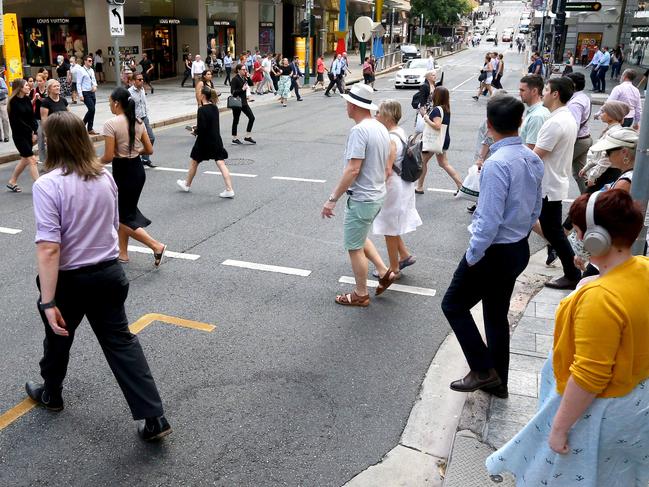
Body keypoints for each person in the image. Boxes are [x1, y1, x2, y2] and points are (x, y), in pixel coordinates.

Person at [487, 189, 649, 486]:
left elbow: (590, 375)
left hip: (597, 411)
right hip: (635, 403)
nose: (576, 239)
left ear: (595, 237)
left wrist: (560, 428)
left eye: (577, 231)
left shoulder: (600, 299)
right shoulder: (643, 269)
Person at [28, 110, 172, 442]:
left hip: (71, 279)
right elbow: (110, 224)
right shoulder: (104, 177)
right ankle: (153, 416)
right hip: (108, 273)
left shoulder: (48, 185)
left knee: (58, 336)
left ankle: (52, 393)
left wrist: (48, 300)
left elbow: (50, 248)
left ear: (52, 143)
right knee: (121, 343)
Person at [442, 95, 544, 398]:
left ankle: (483, 369)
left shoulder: (496, 164)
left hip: (493, 251)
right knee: (496, 314)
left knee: (453, 304)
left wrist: (473, 255)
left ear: (489, 126)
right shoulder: (531, 157)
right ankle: (499, 382)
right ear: (520, 122)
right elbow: (537, 204)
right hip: (517, 247)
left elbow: (487, 219)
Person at [320, 84, 390, 307]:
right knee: (360, 236)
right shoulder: (379, 127)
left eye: (347, 103)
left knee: (354, 246)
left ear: (353, 105)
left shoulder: (359, 131)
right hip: (377, 194)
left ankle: (361, 294)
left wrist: (332, 200)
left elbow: (353, 169)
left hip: (362, 197)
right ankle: (383, 270)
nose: (346, 106)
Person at [99, 87, 166, 266]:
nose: (109, 106)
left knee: (122, 217)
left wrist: (90, 165)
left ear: (116, 103)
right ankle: (123, 253)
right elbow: (149, 150)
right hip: (137, 170)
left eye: (109, 103)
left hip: (122, 171)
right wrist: (136, 151)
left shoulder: (110, 124)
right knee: (125, 213)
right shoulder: (138, 121)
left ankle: (156, 245)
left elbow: (107, 156)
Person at [534, 77, 581, 290]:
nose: (542, 93)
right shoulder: (566, 117)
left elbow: (536, 156)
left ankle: (572, 273)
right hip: (555, 182)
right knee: (552, 230)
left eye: (545, 90)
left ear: (555, 94)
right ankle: (573, 271)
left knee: (554, 232)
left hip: (548, 185)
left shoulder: (555, 122)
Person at [371, 99, 422, 292]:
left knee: (389, 228)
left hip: (394, 186)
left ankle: (393, 269)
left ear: (388, 116)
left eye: (379, 113)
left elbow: (386, 169)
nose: (376, 116)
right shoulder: (399, 132)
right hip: (404, 184)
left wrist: (376, 188)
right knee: (393, 224)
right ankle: (405, 256)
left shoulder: (391, 139)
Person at [176, 87, 234, 198]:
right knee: (221, 163)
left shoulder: (201, 110)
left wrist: (195, 130)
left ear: (202, 96)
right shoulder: (214, 107)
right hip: (216, 139)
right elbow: (210, 124)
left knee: (194, 161)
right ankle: (229, 189)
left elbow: (202, 129)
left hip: (204, 141)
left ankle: (187, 184)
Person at [416, 86, 463, 193]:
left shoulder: (437, 110)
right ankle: (461, 186)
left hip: (435, 140)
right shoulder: (446, 108)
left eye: (434, 93)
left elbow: (437, 126)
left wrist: (426, 117)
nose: (431, 95)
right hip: (442, 139)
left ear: (437, 96)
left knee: (423, 162)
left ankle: (419, 187)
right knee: (443, 163)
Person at [578, 101, 627, 192]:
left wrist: (593, 176)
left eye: (603, 112)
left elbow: (606, 159)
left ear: (612, 115)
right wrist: (587, 167)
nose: (600, 114)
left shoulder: (613, 133)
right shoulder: (611, 130)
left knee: (593, 200)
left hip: (607, 173)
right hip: (606, 172)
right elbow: (600, 155)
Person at [6, 79, 39, 193]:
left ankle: (12, 181)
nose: (29, 86)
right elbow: (16, 122)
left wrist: (35, 131)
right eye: (26, 85)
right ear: (20, 88)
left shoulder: (26, 99)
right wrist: (30, 132)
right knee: (32, 159)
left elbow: (32, 117)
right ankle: (40, 186)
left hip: (28, 134)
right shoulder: (13, 102)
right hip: (19, 136)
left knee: (25, 159)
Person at [565, 72, 592, 194]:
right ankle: (588, 198)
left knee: (557, 167)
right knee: (580, 173)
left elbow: (573, 127)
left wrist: (565, 144)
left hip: (578, 141)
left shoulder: (575, 103)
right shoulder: (583, 97)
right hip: (584, 138)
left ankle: (588, 199)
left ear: (573, 85)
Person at [129, 74, 157, 168]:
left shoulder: (142, 89)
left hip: (144, 118)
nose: (141, 81)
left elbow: (143, 104)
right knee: (134, 142)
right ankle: (135, 161)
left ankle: (145, 159)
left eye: (142, 79)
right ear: (134, 81)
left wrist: (146, 115)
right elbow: (129, 108)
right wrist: (136, 118)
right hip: (135, 120)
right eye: (139, 79)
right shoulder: (129, 92)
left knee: (151, 137)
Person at [519, 74, 550, 150]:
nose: (519, 94)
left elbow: (531, 150)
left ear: (534, 91)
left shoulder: (536, 116)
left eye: (522, 90)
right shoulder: (537, 111)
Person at [230, 64, 256, 144]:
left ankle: (247, 136)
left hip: (244, 103)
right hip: (237, 103)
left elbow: (251, 84)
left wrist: (248, 77)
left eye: (245, 69)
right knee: (236, 120)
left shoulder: (244, 78)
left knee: (252, 118)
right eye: (243, 69)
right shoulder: (235, 79)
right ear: (238, 70)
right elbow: (233, 92)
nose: (245, 71)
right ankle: (234, 138)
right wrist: (242, 89)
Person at [77, 55, 98, 135]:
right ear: (85, 61)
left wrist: (95, 86)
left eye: (91, 61)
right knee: (91, 109)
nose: (91, 62)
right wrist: (80, 95)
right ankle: (82, 125)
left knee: (92, 111)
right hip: (85, 92)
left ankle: (90, 128)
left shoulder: (92, 70)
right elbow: (78, 83)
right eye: (89, 61)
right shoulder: (81, 70)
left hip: (92, 92)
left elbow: (94, 80)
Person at [33, 73, 48, 162]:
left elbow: (49, 102)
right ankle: (43, 161)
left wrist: (41, 99)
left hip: (47, 118)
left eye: (40, 81)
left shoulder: (47, 90)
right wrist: (35, 99)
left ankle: (52, 160)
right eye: (37, 81)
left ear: (44, 81)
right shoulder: (34, 91)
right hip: (38, 118)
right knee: (40, 140)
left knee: (50, 140)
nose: (38, 83)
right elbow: (30, 103)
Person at [0, 66, 9, 142]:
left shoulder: (0, 80)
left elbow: (6, 90)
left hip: (2, 101)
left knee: (4, 119)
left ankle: (6, 136)